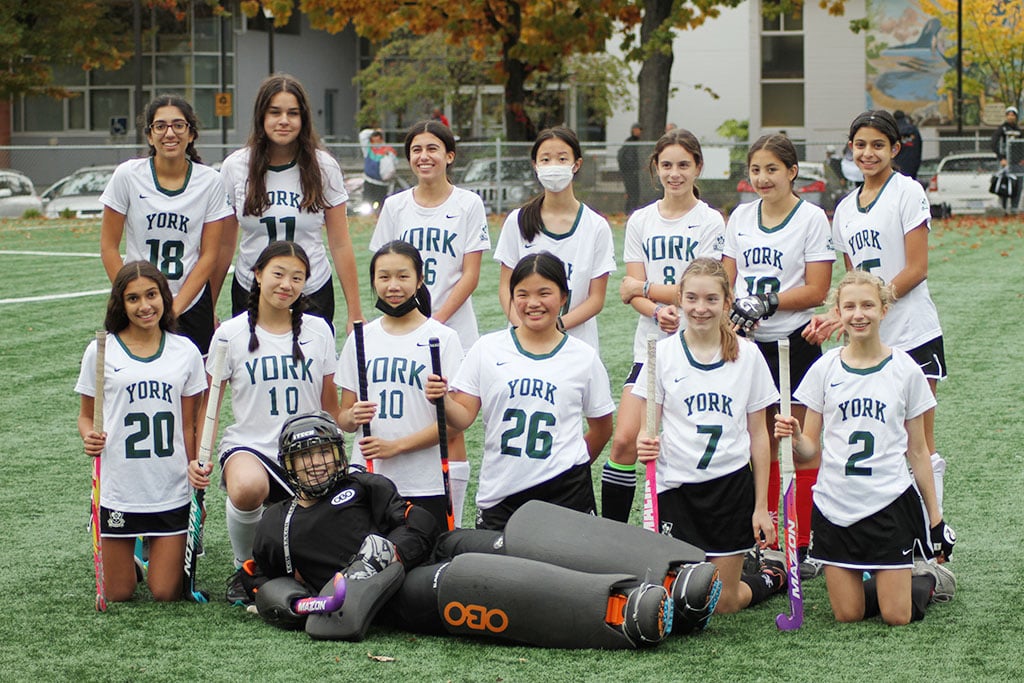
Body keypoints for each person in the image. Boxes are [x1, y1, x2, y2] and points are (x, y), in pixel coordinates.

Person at [241, 412, 720, 648]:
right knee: (476, 574)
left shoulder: (365, 483)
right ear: (290, 466)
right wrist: (284, 600)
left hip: (416, 552)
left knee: (521, 534)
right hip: (389, 593)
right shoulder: (275, 523)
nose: (319, 462)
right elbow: (257, 577)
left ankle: (675, 577)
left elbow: (418, 520)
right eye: (307, 456)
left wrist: (391, 551)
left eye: (325, 451)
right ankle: (621, 609)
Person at [775, 271, 957, 625]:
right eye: (850, 307)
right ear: (838, 314)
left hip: (888, 503)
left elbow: (918, 452)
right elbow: (810, 449)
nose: (859, 314)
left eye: (868, 305)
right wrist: (796, 437)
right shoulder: (825, 368)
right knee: (848, 615)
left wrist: (936, 520)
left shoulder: (905, 370)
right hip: (835, 506)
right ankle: (889, 578)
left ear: (884, 310)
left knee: (897, 617)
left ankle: (926, 579)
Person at [807, 110, 949, 519]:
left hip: (914, 332)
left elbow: (917, 269)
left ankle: (931, 534)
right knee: (876, 435)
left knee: (918, 440)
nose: (868, 153)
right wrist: (839, 313)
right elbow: (854, 278)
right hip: (869, 339)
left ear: (895, 148)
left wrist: (872, 305)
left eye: (877, 145)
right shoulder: (846, 207)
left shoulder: (907, 191)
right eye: (860, 145)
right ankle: (878, 533)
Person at [634, 258, 786, 615]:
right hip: (675, 488)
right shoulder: (661, 354)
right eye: (692, 298)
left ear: (726, 302)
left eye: (711, 300)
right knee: (672, 599)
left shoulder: (748, 356)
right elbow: (648, 428)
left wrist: (762, 507)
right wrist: (645, 441)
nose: (700, 308)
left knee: (721, 604)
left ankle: (770, 577)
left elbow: (759, 438)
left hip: (729, 489)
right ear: (680, 299)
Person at [194, 241, 339, 605]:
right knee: (246, 487)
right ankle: (245, 568)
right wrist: (198, 458)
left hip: (307, 452)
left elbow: (330, 410)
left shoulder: (320, 330)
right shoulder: (230, 333)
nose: (286, 284)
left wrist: (353, 422)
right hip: (251, 447)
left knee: (313, 565)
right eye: (278, 274)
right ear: (257, 275)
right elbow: (209, 404)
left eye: (297, 277)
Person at [425, 252, 615, 531]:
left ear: (564, 297)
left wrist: (565, 465)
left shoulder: (584, 357)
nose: (533, 303)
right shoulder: (487, 349)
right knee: (497, 573)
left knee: (564, 574)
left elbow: (602, 428)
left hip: (566, 494)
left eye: (544, 293)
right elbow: (463, 416)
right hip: (501, 493)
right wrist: (442, 399)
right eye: (522, 294)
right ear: (512, 297)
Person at [723, 134, 834, 579]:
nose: (763, 178)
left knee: (802, 443)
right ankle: (768, 539)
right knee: (761, 442)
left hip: (795, 339)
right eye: (756, 170)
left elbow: (818, 288)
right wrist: (737, 310)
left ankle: (805, 543)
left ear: (792, 172)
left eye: (772, 169)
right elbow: (728, 276)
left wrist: (767, 302)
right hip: (751, 345)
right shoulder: (741, 217)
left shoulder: (810, 218)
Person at [601, 129, 725, 524]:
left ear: (698, 168)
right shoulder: (640, 220)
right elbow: (629, 292)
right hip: (650, 346)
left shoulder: (710, 221)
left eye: (683, 165)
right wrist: (654, 309)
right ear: (656, 168)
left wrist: (648, 290)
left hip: (697, 345)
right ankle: (613, 535)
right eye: (667, 165)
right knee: (624, 442)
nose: (675, 174)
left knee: (683, 444)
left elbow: (703, 288)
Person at [370, 120, 490, 519]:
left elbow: (470, 275)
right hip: (405, 328)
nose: (425, 156)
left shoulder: (467, 204)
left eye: (433, 148)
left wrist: (432, 321)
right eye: (417, 149)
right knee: (413, 413)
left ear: (449, 155)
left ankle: (450, 519)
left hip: (451, 328)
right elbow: (383, 265)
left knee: (452, 424)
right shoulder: (396, 206)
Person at [77, 261, 207, 602]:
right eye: (133, 298)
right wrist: (88, 436)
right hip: (120, 487)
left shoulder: (185, 351)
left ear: (164, 296)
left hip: (170, 485)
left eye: (151, 295)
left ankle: (152, 550)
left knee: (166, 592)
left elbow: (191, 422)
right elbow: (85, 418)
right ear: (121, 303)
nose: (144, 306)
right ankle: (130, 558)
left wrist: (196, 472)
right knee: (119, 593)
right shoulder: (101, 350)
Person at [214, 74, 363, 331]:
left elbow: (340, 243)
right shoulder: (236, 166)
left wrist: (355, 311)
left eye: (293, 113)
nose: (284, 121)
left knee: (309, 369)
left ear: (303, 119)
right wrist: (211, 305)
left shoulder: (324, 166)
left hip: (311, 290)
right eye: (275, 112)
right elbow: (225, 243)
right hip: (251, 288)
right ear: (262, 116)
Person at [336, 240, 464, 530]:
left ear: (420, 280)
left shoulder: (443, 338)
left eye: (403, 276)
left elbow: (454, 424)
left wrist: (397, 446)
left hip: (424, 481)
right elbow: (343, 417)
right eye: (384, 277)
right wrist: (352, 416)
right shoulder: (360, 338)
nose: (393, 285)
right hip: (369, 477)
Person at [99, 94, 232, 356]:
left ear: (191, 133)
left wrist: (173, 309)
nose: (169, 133)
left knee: (195, 389)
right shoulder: (128, 175)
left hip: (190, 300)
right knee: (129, 378)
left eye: (178, 125)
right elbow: (108, 247)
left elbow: (209, 256)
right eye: (160, 126)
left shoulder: (210, 181)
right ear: (149, 135)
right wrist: (132, 297)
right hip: (138, 301)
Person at [494, 125, 616, 353]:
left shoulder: (596, 226)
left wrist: (556, 328)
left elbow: (596, 298)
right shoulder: (517, 221)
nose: (554, 166)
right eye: (546, 159)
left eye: (562, 159)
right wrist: (525, 329)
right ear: (535, 165)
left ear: (576, 164)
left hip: (577, 345)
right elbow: (505, 288)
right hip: (523, 344)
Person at [991, 105, 1022, 211]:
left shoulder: (1019, 131)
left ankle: (1014, 208)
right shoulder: (1001, 129)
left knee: (1018, 184)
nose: (1010, 117)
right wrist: (1001, 158)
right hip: (1005, 162)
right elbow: (994, 143)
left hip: (1017, 163)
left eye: (1013, 115)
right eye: (1008, 115)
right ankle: (1003, 208)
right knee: (1004, 184)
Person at [360, 129, 397, 212]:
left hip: (382, 184)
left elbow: (392, 166)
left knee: (381, 207)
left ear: (381, 139)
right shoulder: (368, 149)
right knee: (367, 204)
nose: (375, 143)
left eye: (377, 140)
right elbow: (362, 135)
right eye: (373, 140)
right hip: (369, 182)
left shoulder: (389, 151)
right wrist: (374, 131)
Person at [618, 122, 643, 213]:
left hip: (632, 172)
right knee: (632, 193)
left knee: (634, 193)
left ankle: (631, 210)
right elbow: (627, 157)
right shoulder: (630, 142)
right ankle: (630, 211)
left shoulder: (634, 142)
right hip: (630, 172)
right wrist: (632, 168)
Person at [892, 110, 922, 180]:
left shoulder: (894, 131)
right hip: (912, 165)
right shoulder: (914, 130)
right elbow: (919, 148)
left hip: (897, 165)